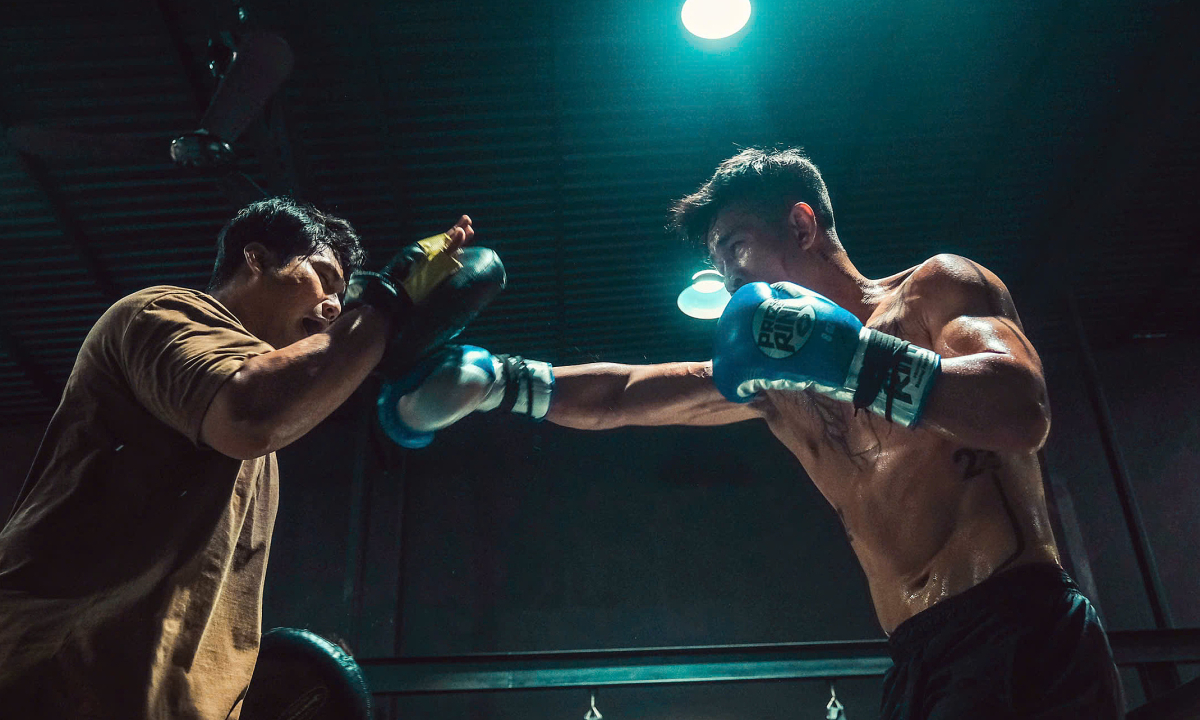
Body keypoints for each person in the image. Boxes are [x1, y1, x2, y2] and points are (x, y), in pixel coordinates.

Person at [388, 148, 1125, 718]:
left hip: (1022, 629)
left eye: (734, 246)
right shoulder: (777, 380)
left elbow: (1022, 409)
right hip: (916, 658)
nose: (729, 279)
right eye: (716, 265)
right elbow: (626, 394)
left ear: (801, 224)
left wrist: (852, 360)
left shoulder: (938, 289)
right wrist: (501, 381)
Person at [0, 197, 478, 719]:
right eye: (323, 278)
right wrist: (385, 302)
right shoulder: (163, 313)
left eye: (344, 297)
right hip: (48, 680)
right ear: (257, 258)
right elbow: (250, 412)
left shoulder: (259, 451)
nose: (334, 307)